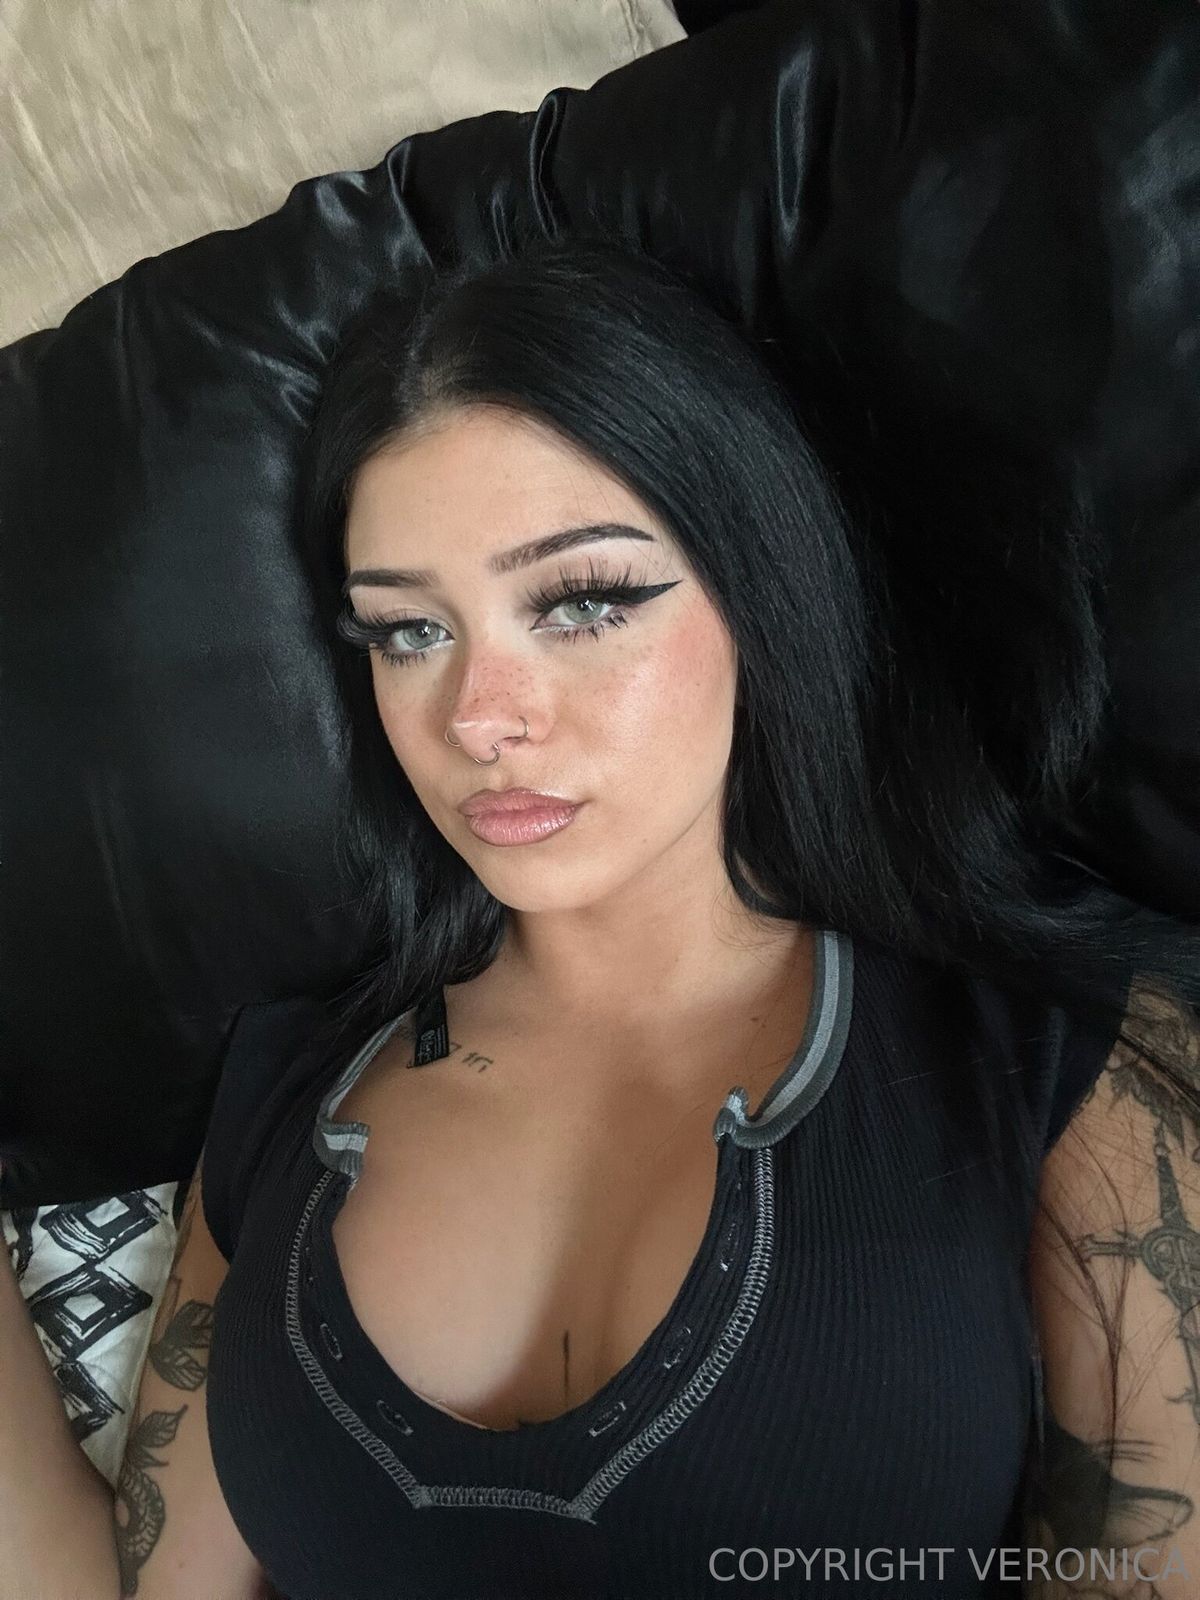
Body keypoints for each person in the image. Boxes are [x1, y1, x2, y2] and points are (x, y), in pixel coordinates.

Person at [5, 236, 1200, 1600]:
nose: (479, 718)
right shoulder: (284, 1095)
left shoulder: (1073, 1067)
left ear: (760, 588)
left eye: (581, 603)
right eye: (409, 632)